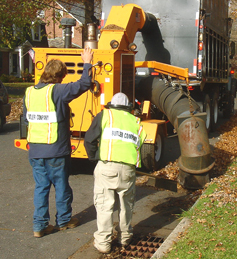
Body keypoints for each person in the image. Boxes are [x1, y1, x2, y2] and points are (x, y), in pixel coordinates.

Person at [23, 46, 93, 238]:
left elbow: (26, 120)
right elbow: (84, 83)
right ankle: (63, 220)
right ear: (61, 76)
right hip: (56, 150)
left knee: (41, 187)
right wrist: (87, 61)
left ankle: (40, 226)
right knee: (61, 186)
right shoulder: (58, 91)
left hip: (36, 151)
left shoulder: (29, 93)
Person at [84, 92, 146, 254]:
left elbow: (89, 139)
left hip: (107, 167)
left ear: (112, 105)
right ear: (128, 108)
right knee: (126, 205)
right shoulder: (136, 122)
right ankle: (125, 237)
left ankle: (104, 242)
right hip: (128, 170)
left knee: (105, 204)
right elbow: (140, 142)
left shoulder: (105, 115)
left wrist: (94, 157)